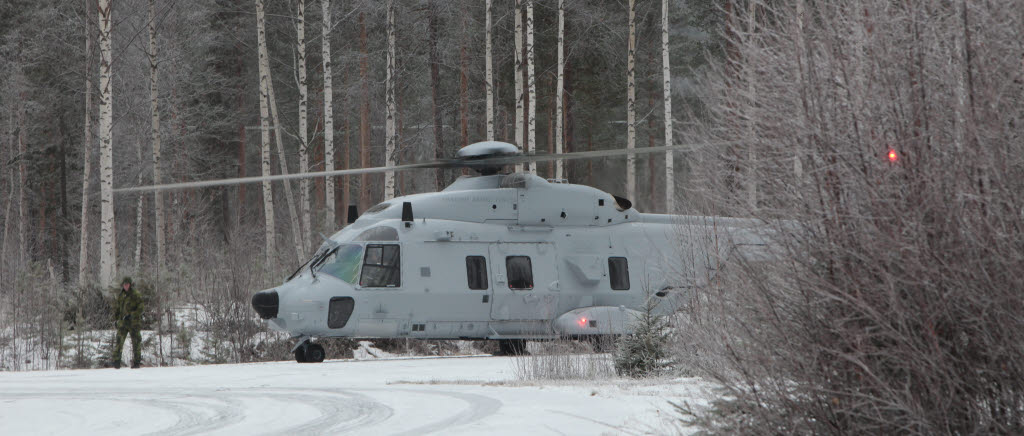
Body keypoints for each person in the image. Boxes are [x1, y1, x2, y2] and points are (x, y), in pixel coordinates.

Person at [112, 277, 144, 369]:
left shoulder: (135, 294)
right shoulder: (121, 295)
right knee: (119, 341)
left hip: (134, 323)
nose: (126, 286)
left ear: (130, 284)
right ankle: (116, 362)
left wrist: (132, 315)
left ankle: (136, 362)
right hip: (123, 323)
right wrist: (116, 320)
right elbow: (118, 309)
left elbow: (141, 308)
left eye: (127, 284)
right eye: (124, 284)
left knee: (136, 342)